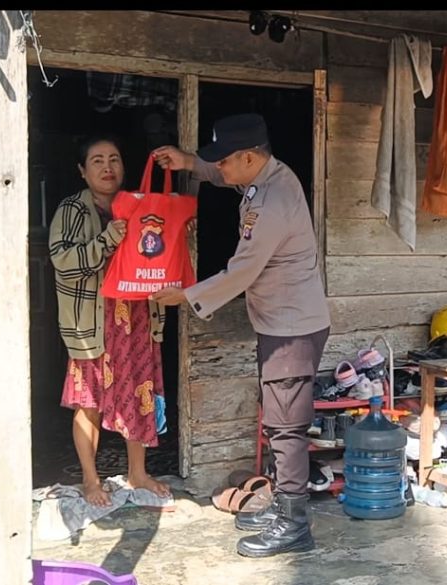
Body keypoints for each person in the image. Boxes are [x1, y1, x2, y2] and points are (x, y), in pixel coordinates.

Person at [150, 113, 331, 558]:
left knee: (286, 428)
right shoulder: (265, 175)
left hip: (291, 329)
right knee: (276, 420)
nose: (222, 171)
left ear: (249, 157)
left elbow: (243, 271)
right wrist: (190, 162)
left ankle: (293, 524)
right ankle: (283, 508)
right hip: (281, 322)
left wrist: (186, 295)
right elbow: (224, 173)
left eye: (226, 162)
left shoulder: (271, 202)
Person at [49, 134, 173, 506]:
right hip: (92, 320)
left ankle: (137, 473)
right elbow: (62, 262)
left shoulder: (139, 206)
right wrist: (105, 241)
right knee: (89, 400)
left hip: (134, 315)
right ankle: (91, 480)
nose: (107, 167)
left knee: (140, 394)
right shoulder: (72, 210)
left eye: (114, 159)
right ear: (83, 172)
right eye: (98, 160)